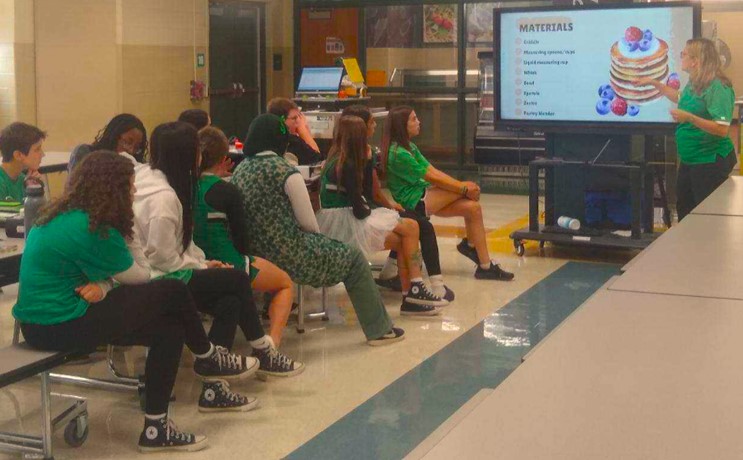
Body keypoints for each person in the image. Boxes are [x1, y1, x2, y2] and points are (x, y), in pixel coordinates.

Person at [14, 151, 258, 453]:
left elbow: (112, 277)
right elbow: (141, 275)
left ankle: (156, 429)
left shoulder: (64, 215)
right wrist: (127, 229)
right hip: (57, 323)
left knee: (169, 329)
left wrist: (104, 284)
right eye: (130, 186)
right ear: (113, 190)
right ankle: (206, 356)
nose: (134, 192)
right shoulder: (95, 228)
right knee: (171, 291)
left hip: (44, 322)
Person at [128, 121, 303, 377]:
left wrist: (203, 263)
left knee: (230, 301)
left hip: (169, 271)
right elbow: (162, 258)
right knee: (236, 278)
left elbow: (182, 244)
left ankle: (214, 382)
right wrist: (199, 266)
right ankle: (263, 350)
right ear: (188, 155)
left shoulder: (161, 180)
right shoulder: (163, 199)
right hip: (157, 279)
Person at [232, 114, 405, 344]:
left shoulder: (240, 171)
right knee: (353, 259)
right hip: (290, 254)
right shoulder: (286, 172)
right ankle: (379, 330)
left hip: (254, 256)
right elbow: (309, 224)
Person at [317, 115, 445, 315]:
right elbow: (360, 207)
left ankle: (411, 294)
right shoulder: (347, 165)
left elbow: (365, 193)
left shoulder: (336, 158)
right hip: (347, 223)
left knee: (405, 237)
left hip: (346, 216)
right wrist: (379, 212)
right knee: (411, 227)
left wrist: (368, 164)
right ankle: (415, 288)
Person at [381, 106, 514, 281]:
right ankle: (470, 245)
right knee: (467, 189)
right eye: (414, 119)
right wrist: (464, 188)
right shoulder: (397, 153)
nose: (419, 122)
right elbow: (431, 177)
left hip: (425, 194)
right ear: (401, 126)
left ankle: (485, 266)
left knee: (473, 208)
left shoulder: (410, 147)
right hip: (414, 202)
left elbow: (433, 171)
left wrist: (462, 187)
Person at [340, 105, 454, 301]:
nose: (376, 125)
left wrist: (391, 208)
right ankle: (426, 286)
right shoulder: (358, 157)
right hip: (361, 215)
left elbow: (374, 193)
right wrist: (462, 188)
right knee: (419, 225)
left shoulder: (360, 152)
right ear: (360, 128)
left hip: (368, 210)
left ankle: (402, 279)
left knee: (413, 222)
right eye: (371, 122)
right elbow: (373, 195)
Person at [195, 126, 297, 344]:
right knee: (285, 283)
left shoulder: (184, 187)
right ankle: (273, 343)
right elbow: (242, 239)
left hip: (196, 264)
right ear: (224, 157)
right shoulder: (226, 191)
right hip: (228, 262)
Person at [635, 38, 736, 221]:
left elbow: (722, 129)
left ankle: (706, 249)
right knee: (685, 211)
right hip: (691, 159)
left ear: (696, 60)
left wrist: (689, 118)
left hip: (710, 160)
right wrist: (656, 84)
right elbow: (681, 98)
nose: (681, 57)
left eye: (684, 54)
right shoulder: (695, 82)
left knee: (705, 216)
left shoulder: (718, 87)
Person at [266, 97, 322, 165]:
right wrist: (304, 132)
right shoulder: (293, 141)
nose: (299, 121)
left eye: (299, 117)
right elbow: (318, 161)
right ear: (282, 121)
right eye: (294, 118)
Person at [0, 122, 45, 202]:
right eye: (37, 149)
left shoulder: (24, 180)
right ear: (18, 155)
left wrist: (34, 192)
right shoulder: (1, 183)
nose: (43, 154)